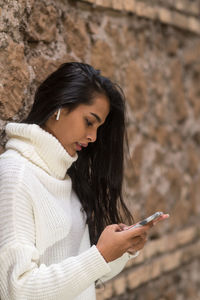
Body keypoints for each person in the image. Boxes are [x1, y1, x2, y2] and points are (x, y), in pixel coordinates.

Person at [0, 62, 168, 300]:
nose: (93, 137)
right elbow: (18, 290)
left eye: (99, 127)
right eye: (89, 121)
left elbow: (78, 278)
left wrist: (120, 251)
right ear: (59, 106)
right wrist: (99, 255)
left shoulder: (65, 176)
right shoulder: (15, 176)